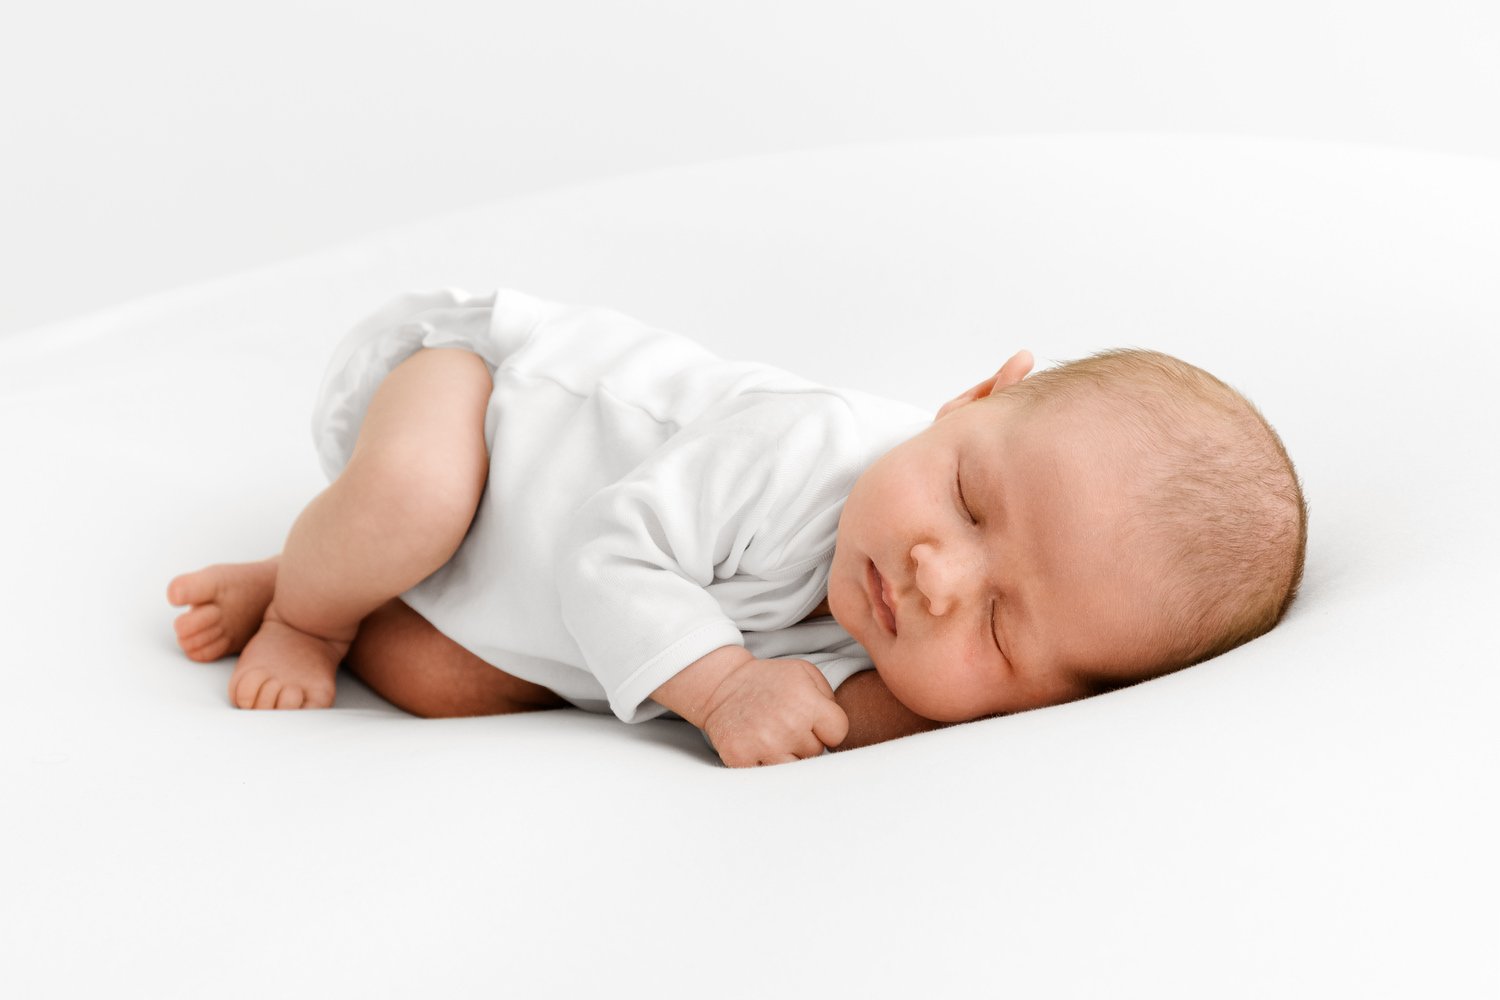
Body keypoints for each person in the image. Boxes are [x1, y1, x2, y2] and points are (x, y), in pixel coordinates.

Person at [167, 288, 1307, 767]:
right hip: (484, 410)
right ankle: (304, 606)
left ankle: (333, 581)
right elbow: (608, 552)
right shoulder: (808, 450)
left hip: (534, 579)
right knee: (407, 507)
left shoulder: (929, 667)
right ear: (973, 401)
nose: (938, 575)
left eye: (1003, 627)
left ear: (1050, 698)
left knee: (433, 678)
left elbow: (845, 722)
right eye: (967, 500)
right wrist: (719, 691)